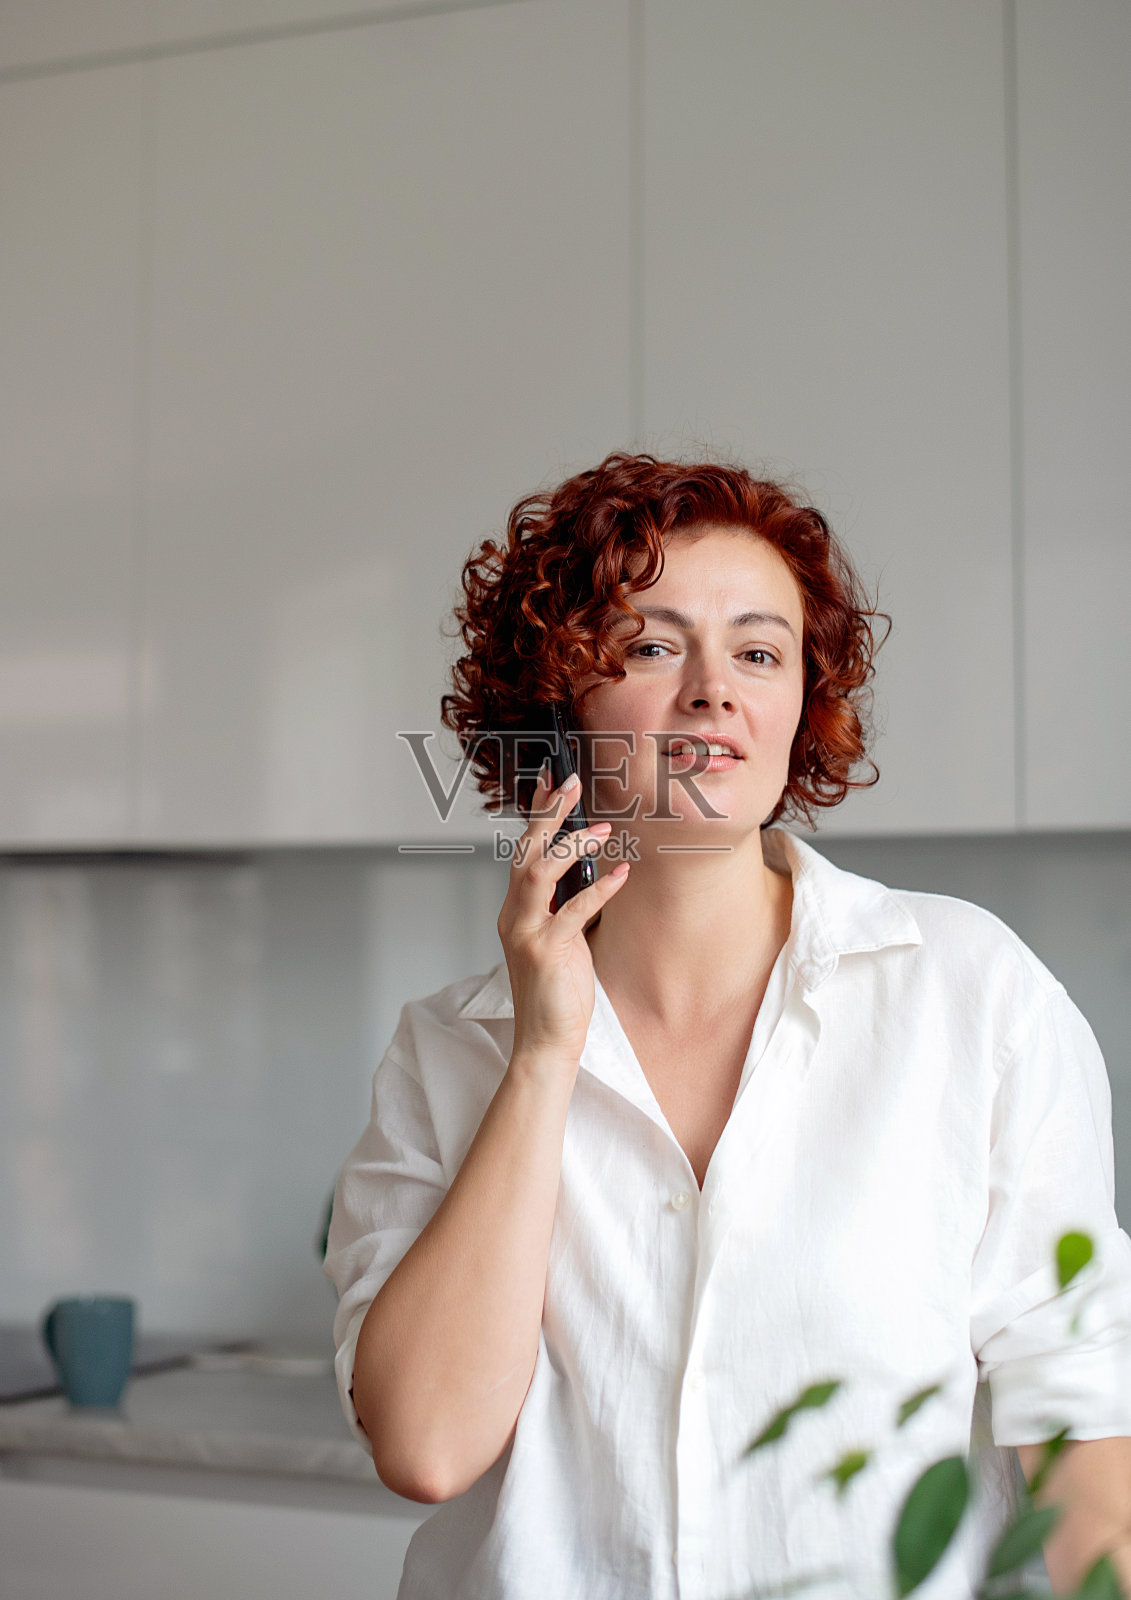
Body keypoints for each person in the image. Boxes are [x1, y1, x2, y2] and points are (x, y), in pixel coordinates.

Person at [323, 453, 1131, 1600]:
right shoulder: (451, 1050)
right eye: (653, 645)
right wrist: (546, 1050)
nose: (714, 690)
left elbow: (1079, 1407)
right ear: (560, 703)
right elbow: (427, 1445)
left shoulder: (973, 993)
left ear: (802, 706)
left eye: (758, 651)